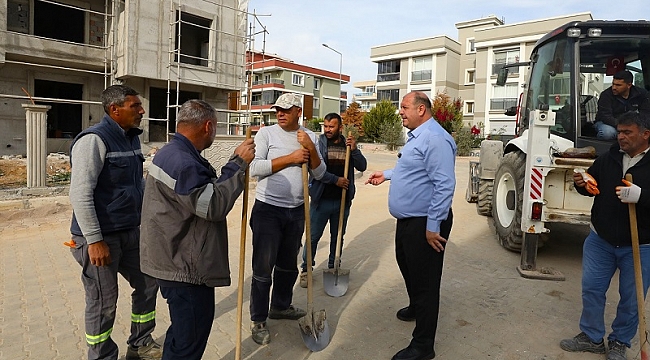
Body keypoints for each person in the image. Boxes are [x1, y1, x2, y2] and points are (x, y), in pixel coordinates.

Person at [139, 100, 255, 359]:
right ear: (208, 126)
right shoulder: (184, 163)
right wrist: (237, 164)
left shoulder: (170, 153)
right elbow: (212, 205)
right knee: (188, 342)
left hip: (171, 258)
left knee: (181, 334)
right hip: (184, 268)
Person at [68, 85, 161, 360]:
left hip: (130, 232)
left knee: (148, 282)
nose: (142, 111)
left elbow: (136, 185)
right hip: (100, 238)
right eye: (135, 106)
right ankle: (102, 355)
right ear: (115, 109)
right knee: (104, 302)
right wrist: (95, 241)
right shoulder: (94, 140)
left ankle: (141, 343)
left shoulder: (132, 139)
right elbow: (80, 193)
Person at [365, 91, 455, 360]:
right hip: (409, 221)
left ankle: (423, 345)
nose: (400, 112)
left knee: (426, 283)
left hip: (425, 223)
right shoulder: (419, 136)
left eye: (404, 107)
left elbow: (444, 184)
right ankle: (416, 307)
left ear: (421, 110)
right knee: (407, 265)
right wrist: (388, 174)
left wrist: (433, 226)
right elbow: (415, 169)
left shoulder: (436, 138)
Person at [561, 111, 650, 360]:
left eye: (627, 132)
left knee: (632, 299)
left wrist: (642, 197)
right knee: (592, 289)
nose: (620, 137)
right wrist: (583, 184)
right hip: (601, 239)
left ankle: (620, 341)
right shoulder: (610, 157)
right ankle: (591, 337)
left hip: (640, 244)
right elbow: (594, 187)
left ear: (645, 134)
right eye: (619, 131)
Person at [247, 93, 326, 345]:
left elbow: (320, 172)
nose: (280, 113)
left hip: (297, 210)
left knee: (287, 265)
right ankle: (258, 318)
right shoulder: (266, 134)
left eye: (285, 109)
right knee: (263, 268)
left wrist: (311, 149)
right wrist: (290, 159)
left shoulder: (309, 136)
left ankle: (280, 306)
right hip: (268, 210)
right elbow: (254, 168)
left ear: (298, 111)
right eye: (277, 110)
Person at [299, 112, 367, 287]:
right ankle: (306, 269)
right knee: (313, 237)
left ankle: (333, 266)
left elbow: (362, 166)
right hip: (321, 199)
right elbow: (315, 170)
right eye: (326, 127)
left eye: (332, 127)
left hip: (342, 201)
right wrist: (335, 181)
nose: (328, 130)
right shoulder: (318, 144)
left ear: (340, 128)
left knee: (338, 237)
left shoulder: (348, 144)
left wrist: (355, 150)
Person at [594, 70, 650, 139]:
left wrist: (634, 126)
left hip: (631, 124)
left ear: (629, 85)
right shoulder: (606, 95)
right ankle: (605, 149)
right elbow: (605, 116)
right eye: (613, 84)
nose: (614, 88)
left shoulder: (641, 94)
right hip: (607, 123)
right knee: (607, 133)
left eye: (618, 85)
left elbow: (645, 114)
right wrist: (624, 126)